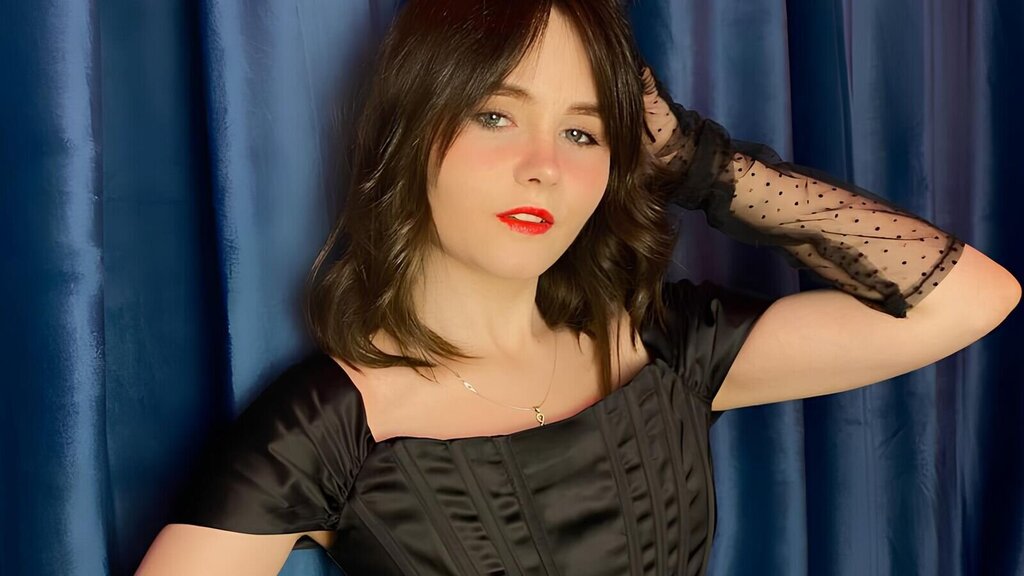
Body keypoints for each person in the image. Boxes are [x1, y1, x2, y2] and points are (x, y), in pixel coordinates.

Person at [136, 0, 1020, 574]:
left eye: (583, 133)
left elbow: (972, 297)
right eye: (495, 116)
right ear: (411, 137)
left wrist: (693, 160)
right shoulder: (328, 425)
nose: (544, 167)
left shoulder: (665, 343)